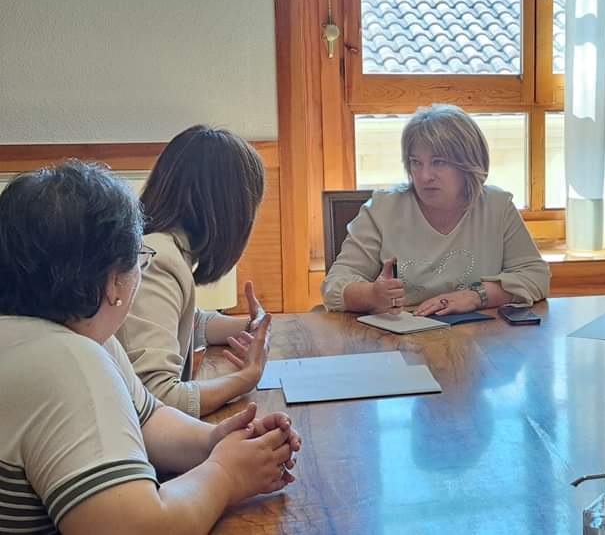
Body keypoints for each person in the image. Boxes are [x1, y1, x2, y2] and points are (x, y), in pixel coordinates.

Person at [0, 161, 301, 534]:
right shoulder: (67, 361)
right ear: (113, 282)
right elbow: (138, 528)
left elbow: (148, 419)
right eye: (138, 261)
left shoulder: (78, 340)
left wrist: (215, 441)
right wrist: (225, 473)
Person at [322, 104, 550, 315]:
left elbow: (536, 276)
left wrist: (475, 297)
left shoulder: (497, 206)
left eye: (439, 162)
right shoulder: (383, 208)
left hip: (478, 341)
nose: (424, 176)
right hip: (397, 342)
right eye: (415, 162)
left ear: (468, 164)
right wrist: (371, 295)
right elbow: (334, 285)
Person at [117, 125, 269, 417]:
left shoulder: (166, 245)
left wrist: (251, 327)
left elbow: (186, 321)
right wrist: (245, 378)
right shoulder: (157, 261)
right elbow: (161, 400)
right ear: (231, 209)